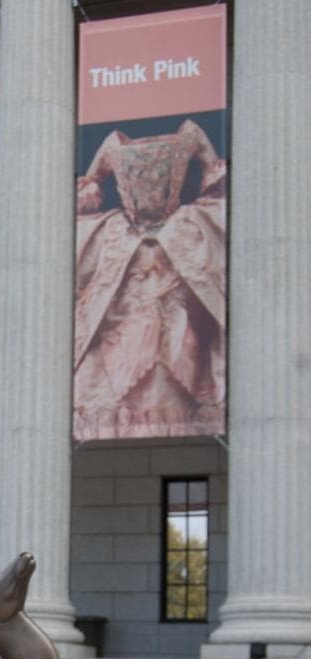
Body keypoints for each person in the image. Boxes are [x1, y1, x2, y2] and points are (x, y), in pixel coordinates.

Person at [73, 118, 227, 441]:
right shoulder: (112, 234)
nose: (150, 192)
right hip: (127, 319)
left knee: (185, 339)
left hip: (178, 319)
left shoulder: (191, 227)